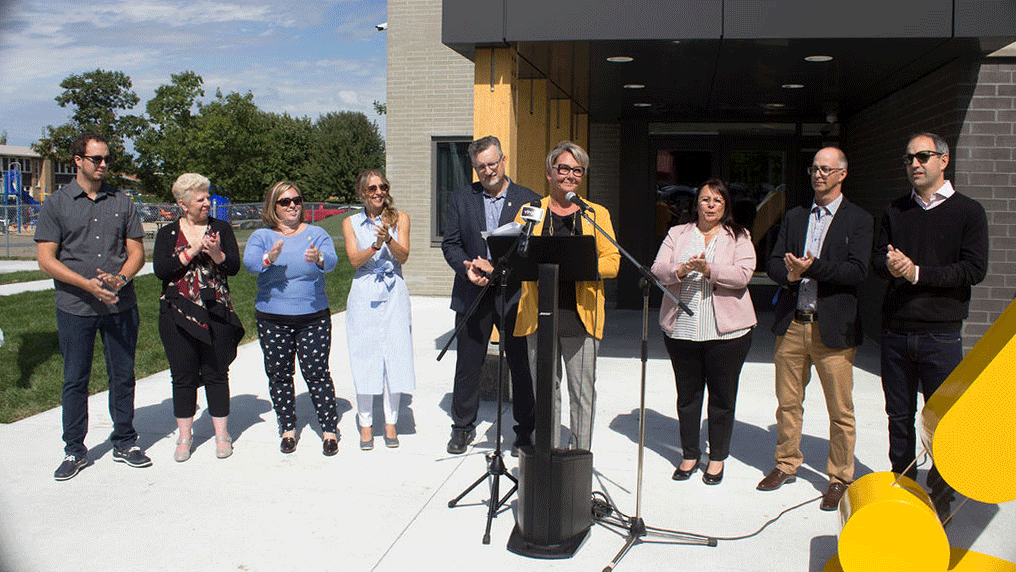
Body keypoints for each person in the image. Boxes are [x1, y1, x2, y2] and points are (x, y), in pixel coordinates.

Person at [872, 132, 987, 520]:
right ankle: (903, 488)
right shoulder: (894, 210)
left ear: (944, 160)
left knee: (943, 424)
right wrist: (888, 266)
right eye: (908, 159)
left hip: (941, 335)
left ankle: (940, 497)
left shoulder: (969, 211)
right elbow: (876, 259)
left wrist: (918, 272)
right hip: (897, 332)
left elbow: (974, 269)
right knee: (899, 418)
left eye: (923, 156)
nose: (915, 164)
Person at [757, 147, 873, 512]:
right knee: (788, 402)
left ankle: (839, 477)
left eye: (826, 169)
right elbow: (773, 262)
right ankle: (786, 463)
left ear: (842, 174)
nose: (818, 174)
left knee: (840, 409)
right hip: (793, 323)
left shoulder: (858, 219)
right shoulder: (794, 217)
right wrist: (789, 273)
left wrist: (814, 268)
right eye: (814, 168)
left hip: (833, 328)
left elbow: (858, 271)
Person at [36, 132, 151, 480]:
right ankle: (74, 449)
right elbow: (45, 259)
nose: (103, 165)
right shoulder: (57, 204)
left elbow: (136, 253)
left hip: (120, 306)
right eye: (96, 159)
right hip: (75, 307)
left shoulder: (123, 202)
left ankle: (125, 441)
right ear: (78, 161)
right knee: (75, 379)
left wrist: (122, 278)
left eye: (106, 160)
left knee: (123, 376)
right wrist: (86, 284)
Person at [513, 140, 620, 451]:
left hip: (580, 319)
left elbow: (613, 260)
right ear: (550, 172)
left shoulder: (595, 213)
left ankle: (578, 459)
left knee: (582, 394)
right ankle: (547, 457)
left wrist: (581, 264)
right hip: (538, 316)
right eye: (564, 168)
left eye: (577, 170)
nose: (570, 175)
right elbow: (518, 254)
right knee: (545, 392)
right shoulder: (530, 211)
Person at [650, 178, 756, 485]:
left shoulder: (739, 236)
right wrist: (681, 270)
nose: (710, 206)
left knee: (722, 397)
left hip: (727, 333)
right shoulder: (677, 233)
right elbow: (658, 268)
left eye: (717, 201)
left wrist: (710, 270)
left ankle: (718, 457)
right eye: (705, 200)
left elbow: (744, 275)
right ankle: (689, 453)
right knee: (688, 396)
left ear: (725, 207)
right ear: (696, 203)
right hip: (682, 330)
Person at [441, 135, 540, 456]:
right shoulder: (461, 198)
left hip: (514, 296)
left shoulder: (530, 200)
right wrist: (466, 266)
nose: (488, 171)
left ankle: (525, 431)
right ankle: (462, 426)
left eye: (492, 164)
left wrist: (501, 265)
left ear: (504, 160)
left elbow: (532, 250)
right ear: (474, 168)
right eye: (481, 167)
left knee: (520, 364)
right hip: (473, 291)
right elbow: (450, 244)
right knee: (468, 363)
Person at [243, 181, 341, 456]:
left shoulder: (317, 233)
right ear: (273, 206)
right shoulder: (262, 236)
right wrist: (269, 258)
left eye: (296, 200)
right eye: (285, 201)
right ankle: (287, 429)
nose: (293, 205)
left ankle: (329, 430)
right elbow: (250, 265)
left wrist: (319, 257)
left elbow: (332, 262)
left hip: (313, 316)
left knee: (317, 374)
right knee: (280, 375)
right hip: (273, 317)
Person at [153, 173, 244, 462]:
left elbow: (233, 268)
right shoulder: (167, 233)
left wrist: (217, 253)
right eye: (200, 199)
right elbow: (162, 270)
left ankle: (221, 434)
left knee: (217, 373)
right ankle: (184, 436)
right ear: (183, 203)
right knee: (183, 376)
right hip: (177, 312)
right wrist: (192, 250)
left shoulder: (221, 228)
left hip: (216, 310)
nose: (207, 203)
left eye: (207, 197)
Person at [342, 169, 415, 450]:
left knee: (394, 354)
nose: (378, 193)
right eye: (371, 189)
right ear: (362, 193)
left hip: (394, 290)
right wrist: (375, 244)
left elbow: (404, 256)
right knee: (365, 355)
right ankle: (365, 423)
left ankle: (391, 422)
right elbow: (354, 260)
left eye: (382, 187)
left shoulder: (400, 219)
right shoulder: (351, 223)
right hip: (364, 290)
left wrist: (389, 239)